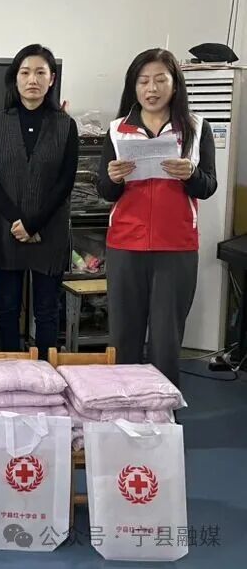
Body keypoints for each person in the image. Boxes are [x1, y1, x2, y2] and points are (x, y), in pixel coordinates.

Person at [97, 48, 217, 386]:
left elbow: (208, 186)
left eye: (160, 80)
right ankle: (123, 405)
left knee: (166, 339)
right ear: (133, 87)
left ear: (175, 84)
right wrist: (113, 178)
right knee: (123, 336)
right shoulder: (117, 129)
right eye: (143, 81)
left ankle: (163, 410)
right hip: (125, 244)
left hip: (176, 246)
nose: (151, 89)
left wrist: (190, 174)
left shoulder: (196, 128)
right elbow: (105, 190)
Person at [0, 44, 78, 361]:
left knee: (47, 310)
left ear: (52, 79)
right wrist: (17, 221)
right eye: (25, 72)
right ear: (15, 78)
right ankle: (12, 371)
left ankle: (46, 372)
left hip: (49, 230)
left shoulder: (65, 125)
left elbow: (65, 181)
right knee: (7, 309)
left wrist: (33, 224)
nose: (32, 79)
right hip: (6, 229)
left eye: (40, 72)